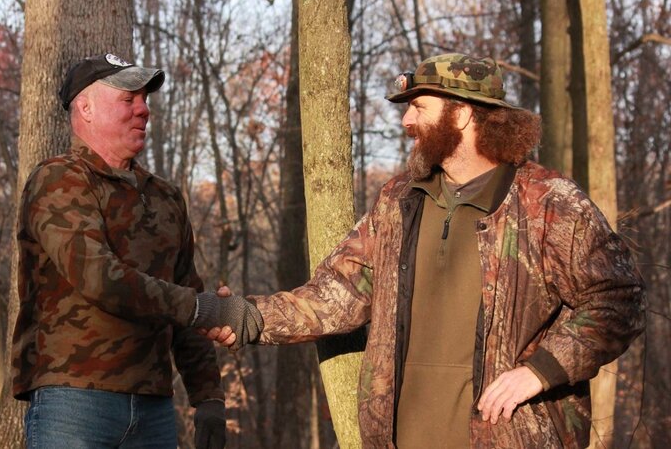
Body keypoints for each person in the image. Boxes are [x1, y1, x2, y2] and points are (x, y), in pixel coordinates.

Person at [192, 53, 646, 448]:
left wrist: (541, 370)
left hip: (511, 436)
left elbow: (618, 297)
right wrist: (247, 317)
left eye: (419, 107)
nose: (407, 122)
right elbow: (338, 293)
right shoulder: (399, 200)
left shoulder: (546, 201)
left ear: (464, 114)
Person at [12, 53, 226, 449]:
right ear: (86, 108)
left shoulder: (166, 197)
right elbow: (100, 279)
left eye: (145, 99)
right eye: (128, 99)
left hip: (154, 408)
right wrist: (202, 308)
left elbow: (188, 295)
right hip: (73, 401)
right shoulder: (59, 179)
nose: (143, 110)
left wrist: (208, 397)